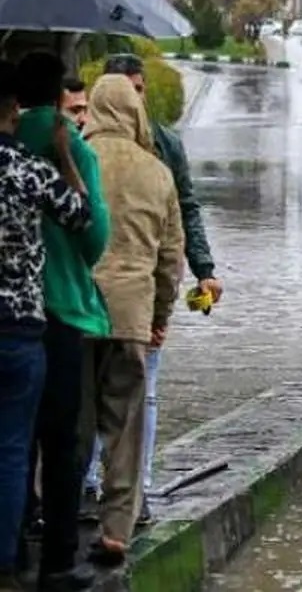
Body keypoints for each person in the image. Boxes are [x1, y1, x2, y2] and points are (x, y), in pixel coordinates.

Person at [92, 54, 220, 531]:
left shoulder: (164, 145)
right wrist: (162, 307)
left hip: (117, 300)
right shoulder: (83, 148)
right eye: (131, 91)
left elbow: (185, 214)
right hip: (135, 301)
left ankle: (133, 488)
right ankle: (110, 501)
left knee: (134, 397)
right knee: (116, 398)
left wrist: (203, 271)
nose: (137, 100)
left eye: (141, 89)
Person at [14, 51, 111, 592]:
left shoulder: (6, 143)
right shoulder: (69, 145)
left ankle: (13, 540)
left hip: (9, 312)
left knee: (13, 438)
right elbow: (93, 238)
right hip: (64, 305)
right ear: (59, 96)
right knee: (63, 439)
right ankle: (58, 559)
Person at [78, 75, 184, 567]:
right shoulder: (157, 171)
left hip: (75, 313)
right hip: (132, 317)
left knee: (68, 425)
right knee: (125, 426)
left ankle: (49, 517)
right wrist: (160, 316)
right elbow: (170, 256)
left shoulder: (75, 159)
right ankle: (117, 528)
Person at [0, 62, 93, 590]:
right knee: (16, 448)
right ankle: (10, 558)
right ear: (14, 109)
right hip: (18, 327)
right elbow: (82, 216)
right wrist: (63, 154)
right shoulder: (25, 169)